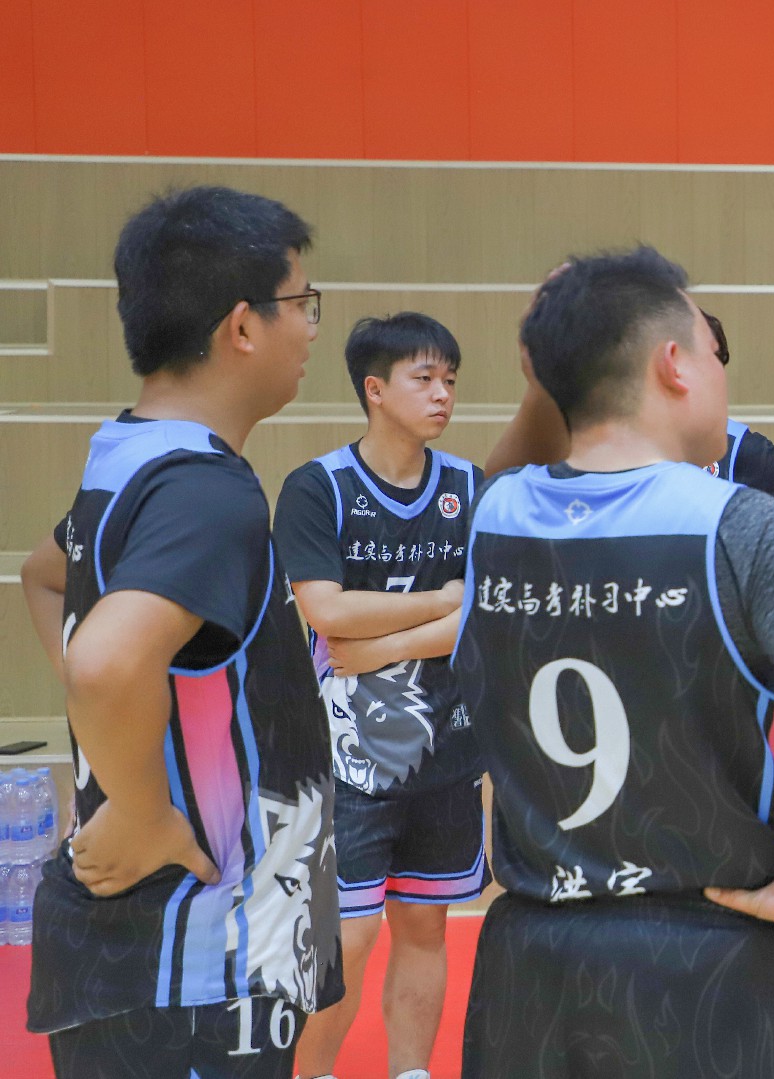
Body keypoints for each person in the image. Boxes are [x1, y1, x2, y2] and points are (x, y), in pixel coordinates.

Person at [454, 247, 774, 1077]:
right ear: (674, 364)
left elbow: (514, 468)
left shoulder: (494, 517)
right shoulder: (744, 524)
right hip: (704, 956)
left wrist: (552, 359)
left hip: (528, 958)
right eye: (710, 349)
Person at [15, 186, 342, 1078]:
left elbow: (44, 576)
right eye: (302, 303)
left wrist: (122, 754)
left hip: (153, 965)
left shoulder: (126, 453)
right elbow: (104, 664)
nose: (311, 328)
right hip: (196, 965)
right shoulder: (206, 491)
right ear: (243, 327)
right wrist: (141, 807)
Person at [274, 313, 487, 1079]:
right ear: (374, 389)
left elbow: (483, 612)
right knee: (348, 938)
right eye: (424, 378)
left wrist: (384, 645)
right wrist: (442, 601)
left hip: (446, 750)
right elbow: (326, 609)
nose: (442, 394)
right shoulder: (317, 487)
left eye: (450, 380)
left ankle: (411, 1071)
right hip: (344, 758)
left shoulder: (470, 487)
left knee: (426, 927)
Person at [486, 306, 774, 571]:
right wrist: (539, 388)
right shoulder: (594, 440)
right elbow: (498, 493)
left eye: (711, 358)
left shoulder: (741, 451)